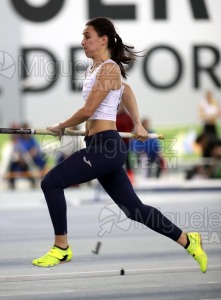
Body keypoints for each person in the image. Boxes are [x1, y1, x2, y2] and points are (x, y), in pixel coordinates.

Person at [32, 17, 207, 273]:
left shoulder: (109, 69)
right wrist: (137, 123)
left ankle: (61, 248)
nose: (83, 41)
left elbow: (88, 110)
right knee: (134, 209)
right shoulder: (94, 70)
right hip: (97, 145)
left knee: (51, 182)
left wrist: (61, 125)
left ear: (103, 39)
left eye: (87, 36)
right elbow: (125, 91)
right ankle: (188, 240)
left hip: (106, 147)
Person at [116, 102, 134, 182]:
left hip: (125, 141)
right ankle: (116, 176)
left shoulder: (127, 117)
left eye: (121, 107)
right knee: (116, 159)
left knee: (126, 158)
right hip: (115, 141)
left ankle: (130, 176)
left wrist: (128, 133)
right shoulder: (114, 116)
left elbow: (132, 126)